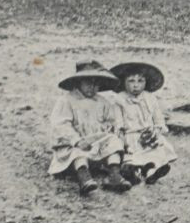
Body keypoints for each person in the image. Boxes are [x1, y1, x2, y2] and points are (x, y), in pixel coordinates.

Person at [47, 61, 129, 195]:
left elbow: (111, 121)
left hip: (97, 144)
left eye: (96, 84)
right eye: (88, 83)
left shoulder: (102, 102)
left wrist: (109, 129)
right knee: (76, 152)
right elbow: (61, 125)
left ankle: (114, 175)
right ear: (78, 82)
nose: (92, 87)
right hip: (76, 143)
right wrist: (76, 140)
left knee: (114, 141)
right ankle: (84, 177)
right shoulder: (66, 101)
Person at [109, 61, 178, 184]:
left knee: (156, 151)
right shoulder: (119, 99)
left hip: (148, 135)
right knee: (131, 155)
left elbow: (158, 119)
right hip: (130, 136)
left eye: (140, 81)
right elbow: (118, 123)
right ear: (124, 82)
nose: (136, 85)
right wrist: (121, 138)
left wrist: (156, 131)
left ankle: (152, 172)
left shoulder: (150, 98)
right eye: (131, 81)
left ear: (146, 82)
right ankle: (131, 171)